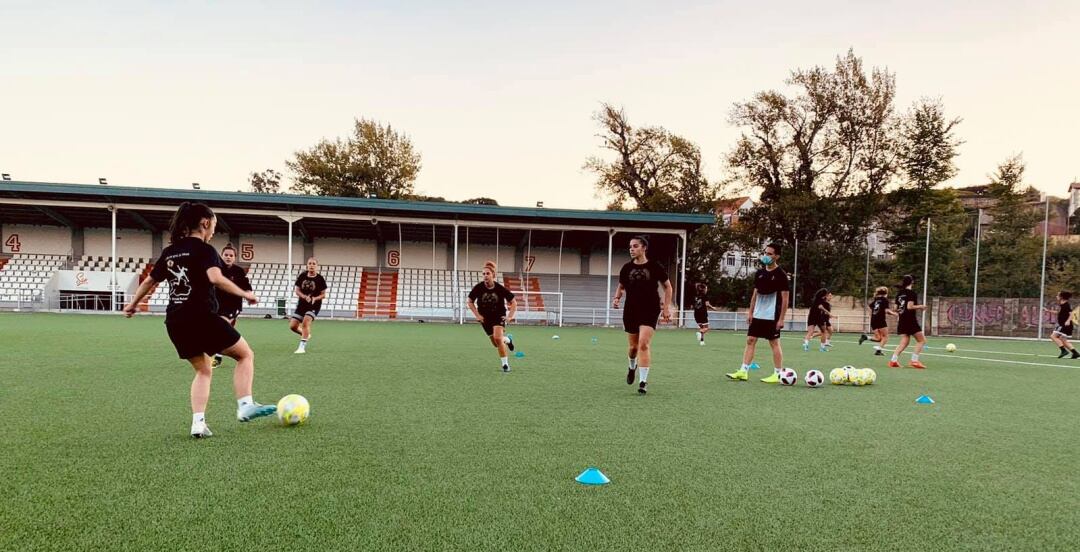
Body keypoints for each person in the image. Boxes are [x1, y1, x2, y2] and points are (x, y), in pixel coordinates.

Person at [123, 202, 276, 438]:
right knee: (245, 355)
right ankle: (245, 405)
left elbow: (149, 282)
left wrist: (133, 304)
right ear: (205, 223)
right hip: (201, 316)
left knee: (203, 370)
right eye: (213, 224)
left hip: (175, 321)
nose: (213, 230)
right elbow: (215, 277)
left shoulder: (170, 252)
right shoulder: (205, 250)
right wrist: (245, 293)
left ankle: (198, 424)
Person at [612, 235, 673, 395]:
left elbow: (668, 287)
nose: (632, 249)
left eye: (635, 246)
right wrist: (616, 298)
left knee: (644, 343)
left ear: (644, 248)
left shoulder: (655, 266)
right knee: (633, 347)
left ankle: (643, 381)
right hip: (631, 309)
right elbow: (621, 286)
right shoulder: (626, 268)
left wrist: (666, 308)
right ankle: (632, 366)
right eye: (630, 246)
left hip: (650, 308)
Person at [726, 243, 789, 383]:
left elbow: (785, 299)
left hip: (772, 315)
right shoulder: (760, 273)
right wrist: (750, 312)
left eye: (770, 254)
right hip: (758, 314)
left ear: (777, 256)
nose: (766, 256)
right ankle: (743, 371)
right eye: (765, 253)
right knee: (750, 340)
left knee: (774, 342)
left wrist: (781, 319)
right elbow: (755, 294)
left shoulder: (781, 275)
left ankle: (778, 374)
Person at [467, 261, 518, 372]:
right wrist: (478, 315)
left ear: (493, 275)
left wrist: (509, 317)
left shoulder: (500, 288)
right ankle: (508, 340)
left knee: (498, 338)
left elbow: (514, 302)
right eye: (484, 274)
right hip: (485, 319)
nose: (485, 276)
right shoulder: (478, 288)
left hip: (498, 316)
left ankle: (505, 365)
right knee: (496, 343)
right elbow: (470, 302)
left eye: (488, 273)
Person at [211, 243, 252, 368]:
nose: (228, 257)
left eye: (231, 255)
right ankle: (224, 350)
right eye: (226, 255)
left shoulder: (238, 271)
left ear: (235, 257)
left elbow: (246, 286)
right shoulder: (216, 270)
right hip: (217, 305)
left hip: (233, 306)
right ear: (221, 256)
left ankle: (218, 356)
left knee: (222, 328)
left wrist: (249, 295)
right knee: (222, 330)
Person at [289, 257, 328, 354]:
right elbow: (297, 291)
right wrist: (304, 296)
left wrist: (315, 298)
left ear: (317, 266)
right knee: (293, 326)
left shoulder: (320, 279)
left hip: (314, 305)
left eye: (314, 264)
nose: (311, 265)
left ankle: (302, 347)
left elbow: (323, 295)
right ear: (307, 265)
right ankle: (306, 334)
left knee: (305, 323)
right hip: (302, 305)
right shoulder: (302, 275)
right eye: (310, 263)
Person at [888, 275, 927, 369]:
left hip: (902, 319)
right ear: (911, 282)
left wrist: (901, 311)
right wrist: (921, 306)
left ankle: (893, 360)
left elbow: (895, 309)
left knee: (904, 342)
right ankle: (914, 360)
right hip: (910, 319)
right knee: (921, 340)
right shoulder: (911, 293)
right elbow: (910, 307)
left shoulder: (899, 294)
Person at [859, 286, 896, 355]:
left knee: (879, 338)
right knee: (885, 336)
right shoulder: (884, 300)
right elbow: (887, 311)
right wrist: (895, 314)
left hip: (873, 320)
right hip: (880, 320)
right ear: (886, 293)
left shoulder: (876, 300)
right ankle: (879, 350)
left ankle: (866, 337)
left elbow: (871, 307)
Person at [1045, 291, 1079, 359]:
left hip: (1065, 325)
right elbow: (1058, 312)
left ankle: (1063, 351)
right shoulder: (1062, 305)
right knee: (1063, 339)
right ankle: (1075, 353)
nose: (1056, 296)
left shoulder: (1066, 305)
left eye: (1058, 295)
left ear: (1062, 297)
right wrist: (1048, 311)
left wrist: (1068, 321)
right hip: (1063, 324)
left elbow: (1071, 314)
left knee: (1053, 336)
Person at [802, 288, 834, 352]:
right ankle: (822, 348)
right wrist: (828, 313)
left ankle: (806, 344)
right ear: (824, 294)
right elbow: (820, 307)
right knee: (824, 332)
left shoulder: (815, 300)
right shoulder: (821, 300)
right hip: (819, 317)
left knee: (810, 332)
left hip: (811, 316)